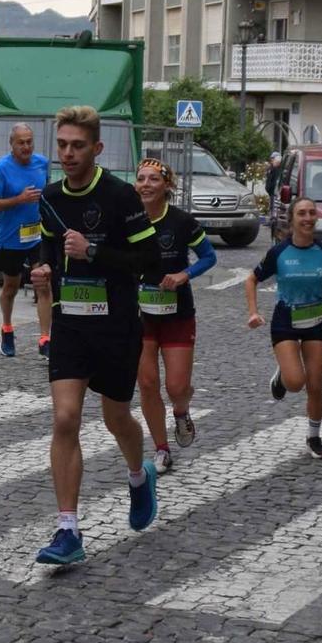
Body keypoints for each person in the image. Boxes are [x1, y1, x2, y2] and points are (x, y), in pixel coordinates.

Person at [26, 105, 161, 565]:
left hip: (117, 326)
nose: (67, 153)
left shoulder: (122, 196)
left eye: (77, 145)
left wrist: (94, 251)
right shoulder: (49, 197)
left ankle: (139, 476)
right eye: (62, 144)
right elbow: (48, 245)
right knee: (65, 418)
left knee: (116, 418)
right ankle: (68, 530)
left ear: (97, 148)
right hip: (70, 325)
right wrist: (42, 267)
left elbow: (151, 264)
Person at [246, 197, 322, 459]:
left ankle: (314, 436)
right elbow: (251, 279)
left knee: (316, 385)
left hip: (316, 322)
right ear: (292, 220)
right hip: (285, 321)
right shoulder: (279, 252)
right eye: (302, 214)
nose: (308, 218)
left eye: (312, 213)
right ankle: (284, 375)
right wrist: (253, 312)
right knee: (296, 383)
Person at [133, 158, 217, 474]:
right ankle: (161, 449)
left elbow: (209, 257)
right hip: (141, 312)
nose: (145, 184)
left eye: (153, 179)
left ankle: (181, 411)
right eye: (141, 179)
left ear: (167, 186)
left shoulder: (181, 222)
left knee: (176, 386)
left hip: (177, 312)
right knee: (147, 382)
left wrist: (184, 274)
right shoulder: (130, 221)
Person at [0, 122, 54, 358]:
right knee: (11, 287)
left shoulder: (42, 163)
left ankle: (45, 338)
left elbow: (48, 193)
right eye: (21, 142)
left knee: (44, 283)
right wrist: (19, 199)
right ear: (11, 144)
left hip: (37, 236)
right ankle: (7, 328)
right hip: (10, 239)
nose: (26, 146)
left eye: (29, 141)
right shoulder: (1, 169)